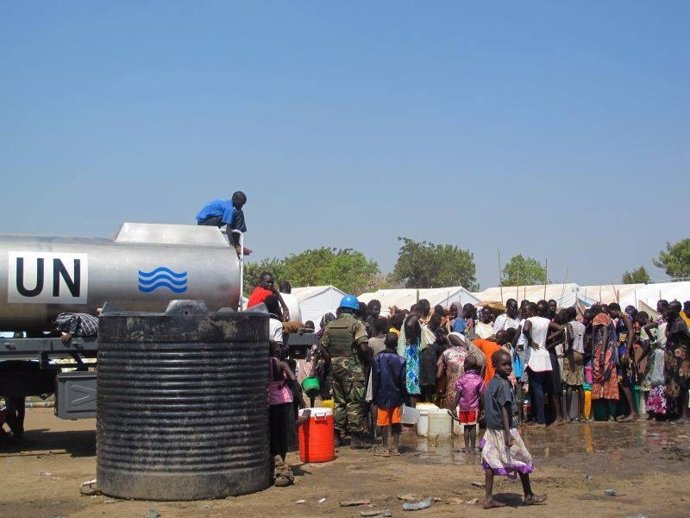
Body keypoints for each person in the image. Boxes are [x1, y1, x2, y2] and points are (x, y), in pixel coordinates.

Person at [481, 349, 546, 509]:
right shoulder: (503, 384)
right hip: (505, 429)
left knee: (490, 460)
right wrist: (508, 434)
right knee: (522, 458)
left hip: (493, 429)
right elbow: (505, 409)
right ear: (494, 365)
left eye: (510, 364)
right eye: (504, 365)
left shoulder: (493, 382)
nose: (508, 367)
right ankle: (528, 495)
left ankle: (488, 498)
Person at [320, 295, 371, 448]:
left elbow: (323, 348)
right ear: (355, 310)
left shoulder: (330, 325)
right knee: (354, 402)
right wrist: (369, 359)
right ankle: (356, 438)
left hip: (336, 370)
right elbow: (363, 347)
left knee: (339, 403)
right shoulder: (357, 325)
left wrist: (333, 360)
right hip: (353, 369)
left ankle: (336, 437)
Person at [522, 302, 563, 427]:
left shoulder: (529, 320)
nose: (524, 313)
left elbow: (525, 329)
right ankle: (538, 418)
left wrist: (530, 340)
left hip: (534, 357)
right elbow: (561, 329)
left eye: (526, 310)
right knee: (541, 389)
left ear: (533, 311)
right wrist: (547, 340)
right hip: (544, 356)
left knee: (537, 389)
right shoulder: (546, 321)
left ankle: (540, 420)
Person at [268, 339, 299, 487]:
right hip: (284, 400)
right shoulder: (281, 364)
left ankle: (276, 462)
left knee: (274, 433)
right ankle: (283, 462)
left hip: (270, 402)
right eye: (277, 347)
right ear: (275, 350)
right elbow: (293, 378)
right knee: (284, 434)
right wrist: (284, 382)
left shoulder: (263, 364)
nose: (279, 349)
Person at [372, 333, 406, 457]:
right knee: (396, 422)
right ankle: (395, 447)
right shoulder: (401, 360)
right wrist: (404, 398)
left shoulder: (377, 359)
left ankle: (385, 447)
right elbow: (403, 382)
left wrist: (374, 397)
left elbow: (375, 380)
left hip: (382, 395)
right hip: (396, 396)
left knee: (383, 423)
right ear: (396, 344)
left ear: (385, 343)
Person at [607, 303, 638, 422]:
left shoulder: (626, 318)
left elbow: (630, 332)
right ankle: (627, 411)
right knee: (623, 382)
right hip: (620, 352)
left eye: (611, 312)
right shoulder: (620, 320)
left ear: (615, 310)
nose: (610, 315)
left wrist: (626, 351)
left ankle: (633, 412)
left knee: (625, 382)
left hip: (624, 352)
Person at [196, 191, 252, 255]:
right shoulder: (229, 208)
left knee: (237, 213)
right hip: (204, 223)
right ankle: (236, 245)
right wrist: (234, 249)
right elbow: (228, 229)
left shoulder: (227, 204)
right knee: (238, 213)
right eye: (240, 204)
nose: (241, 206)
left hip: (208, 220)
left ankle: (237, 244)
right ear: (234, 200)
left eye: (243, 204)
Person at [590, 305, 620, 421]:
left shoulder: (599, 317)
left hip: (603, 355)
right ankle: (610, 415)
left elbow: (605, 332)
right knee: (608, 384)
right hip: (610, 355)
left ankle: (602, 415)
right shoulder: (607, 318)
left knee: (600, 381)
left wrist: (602, 353)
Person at [663, 300, 690, 421]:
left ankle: (684, 414)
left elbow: (688, 340)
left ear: (676, 310)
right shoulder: (670, 323)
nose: (667, 311)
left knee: (683, 384)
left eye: (670, 309)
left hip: (681, 359)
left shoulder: (680, 324)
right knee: (674, 385)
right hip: (672, 359)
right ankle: (678, 412)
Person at [454, 355, 485, 454]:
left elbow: (458, 394)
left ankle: (466, 448)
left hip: (463, 407)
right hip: (474, 408)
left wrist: (453, 406)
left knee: (466, 428)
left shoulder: (461, 379)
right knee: (472, 428)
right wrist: (484, 408)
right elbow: (482, 395)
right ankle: (472, 448)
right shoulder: (479, 379)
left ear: (465, 366)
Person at [562, 307, 586, 421]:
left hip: (571, 354)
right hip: (580, 354)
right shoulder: (582, 326)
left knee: (569, 385)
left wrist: (569, 348)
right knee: (580, 384)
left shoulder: (568, 325)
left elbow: (571, 336)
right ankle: (582, 414)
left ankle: (567, 415)